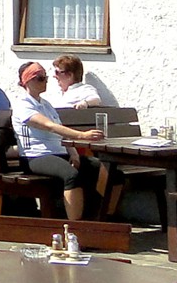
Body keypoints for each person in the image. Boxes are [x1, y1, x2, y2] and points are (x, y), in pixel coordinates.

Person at [10, 60, 106, 220]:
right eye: (39, 78)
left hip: (58, 153)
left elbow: (60, 130)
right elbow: (49, 126)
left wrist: (73, 152)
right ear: (26, 82)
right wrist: (81, 136)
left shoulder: (46, 104)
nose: (46, 81)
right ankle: (75, 228)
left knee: (104, 168)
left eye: (45, 77)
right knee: (71, 175)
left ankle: (100, 218)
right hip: (36, 156)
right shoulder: (23, 105)